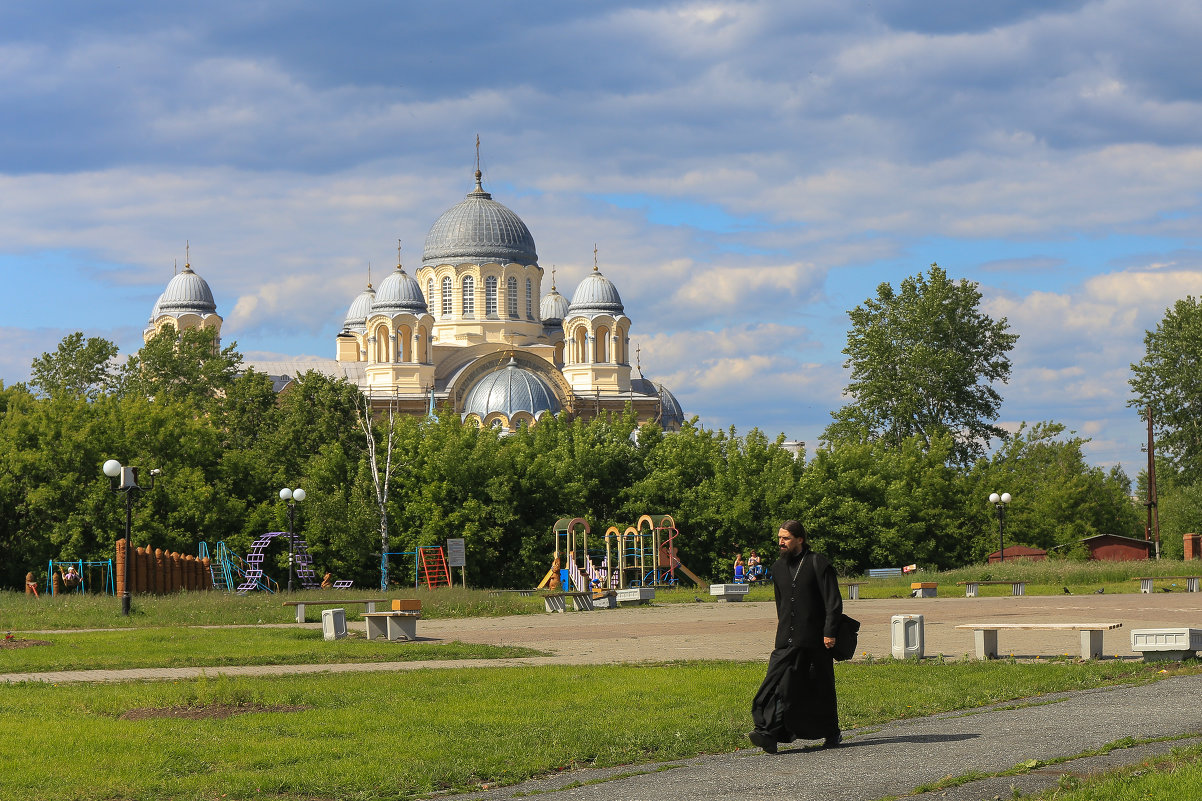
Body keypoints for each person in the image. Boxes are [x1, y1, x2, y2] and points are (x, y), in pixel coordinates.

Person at [749, 519, 843, 753]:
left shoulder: (817, 563)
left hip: (816, 640)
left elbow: (833, 602)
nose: (781, 542)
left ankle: (832, 732)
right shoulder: (778, 567)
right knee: (777, 686)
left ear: (799, 539)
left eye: (786, 538)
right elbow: (781, 604)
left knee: (821, 687)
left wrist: (829, 632)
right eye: (779, 538)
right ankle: (768, 732)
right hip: (786, 640)